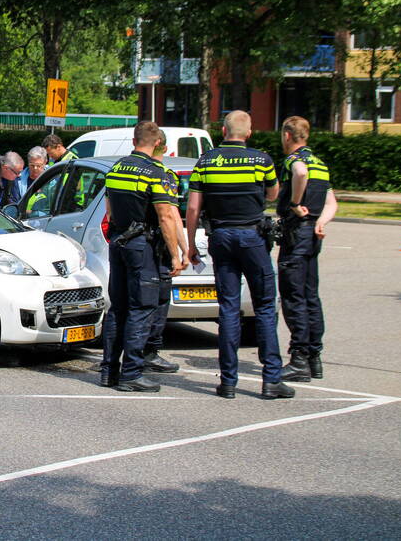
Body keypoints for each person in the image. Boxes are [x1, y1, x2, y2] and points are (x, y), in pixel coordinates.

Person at [186, 110, 292, 400]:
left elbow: (193, 207)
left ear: (223, 131)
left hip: (220, 237)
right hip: (252, 238)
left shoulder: (206, 161)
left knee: (228, 309)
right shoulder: (261, 160)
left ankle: (228, 382)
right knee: (265, 307)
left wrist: (190, 244)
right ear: (249, 133)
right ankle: (271, 380)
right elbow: (272, 195)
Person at [101, 121, 186, 392]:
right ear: (157, 143)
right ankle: (132, 374)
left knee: (119, 308)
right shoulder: (155, 172)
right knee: (142, 309)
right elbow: (165, 215)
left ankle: (109, 371)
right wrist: (175, 255)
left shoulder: (116, 168)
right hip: (142, 246)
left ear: (134, 140)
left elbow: (110, 210)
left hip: (118, 243)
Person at [276, 116, 338, 382]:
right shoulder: (321, 165)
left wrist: (294, 202)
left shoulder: (294, 160)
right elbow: (332, 202)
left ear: (288, 136)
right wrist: (321, 221)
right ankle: (314, 357)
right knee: (311, 295)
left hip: (296, 233)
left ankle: (298, 358)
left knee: (293, 296)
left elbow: (300, 173)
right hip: (313, 234)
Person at [143, 130, 189, 374]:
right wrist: (179, 252)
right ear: (164, 147)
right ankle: (150, 352)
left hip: (136, 246)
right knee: (159, 301)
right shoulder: (162, 175)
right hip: (156, 248)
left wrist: (184, 249)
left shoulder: (128, 170)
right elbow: (170, 216)